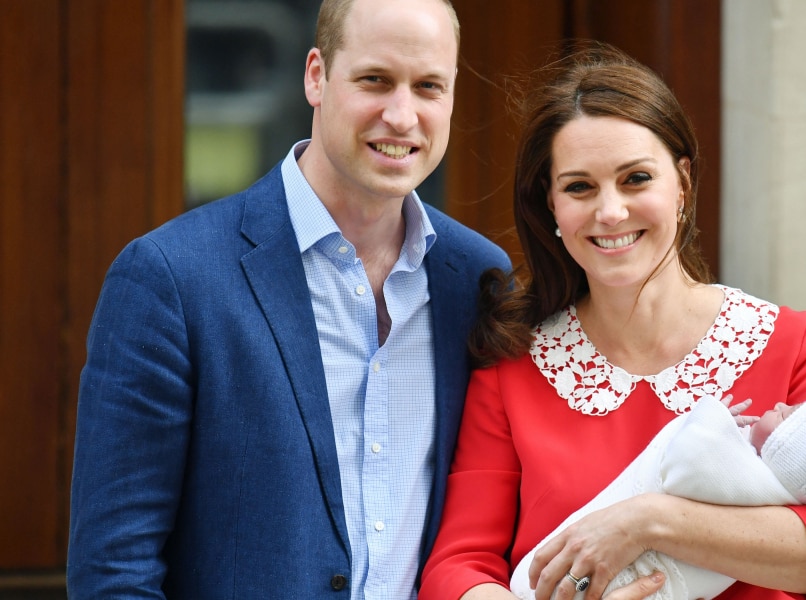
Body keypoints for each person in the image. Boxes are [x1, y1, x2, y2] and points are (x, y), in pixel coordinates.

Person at [66, 0, 510, 597]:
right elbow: (114, 570)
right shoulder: (170, 278)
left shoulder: (478, 279)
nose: (402, 116)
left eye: (429, 87)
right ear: (315, 76)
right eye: (375, 80)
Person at [418, 41, 806, 600]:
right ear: (552, 207)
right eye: (579, 187)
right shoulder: (513, 367)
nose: (610, 211)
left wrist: (648, 522)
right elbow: (457, 568)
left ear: (681, 182)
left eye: (636, 178)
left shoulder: (792, 345)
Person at [509, 395, 806, 599]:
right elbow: (462, 559)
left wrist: (714, 414)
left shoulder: (748, 483)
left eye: (791, 416)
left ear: (791, 450)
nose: (784, 404)